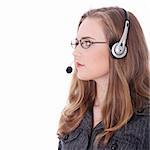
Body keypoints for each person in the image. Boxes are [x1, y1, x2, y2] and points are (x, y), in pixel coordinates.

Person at [57, 6, 150, 150]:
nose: (76, 52)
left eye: (87, 43)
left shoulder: (145, 120)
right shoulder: (76, 113)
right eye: (77, 43)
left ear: (119, 49)